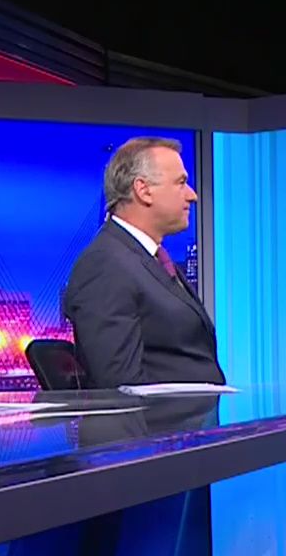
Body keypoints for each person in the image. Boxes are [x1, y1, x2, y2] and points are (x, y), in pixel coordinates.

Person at [61, 137, 225, 389]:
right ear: (143, 190)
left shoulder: (149, 259)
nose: (192, 195)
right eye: (181, 183)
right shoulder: (105, 265)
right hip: (166, 416)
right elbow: (121, 385)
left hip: (199, 413)